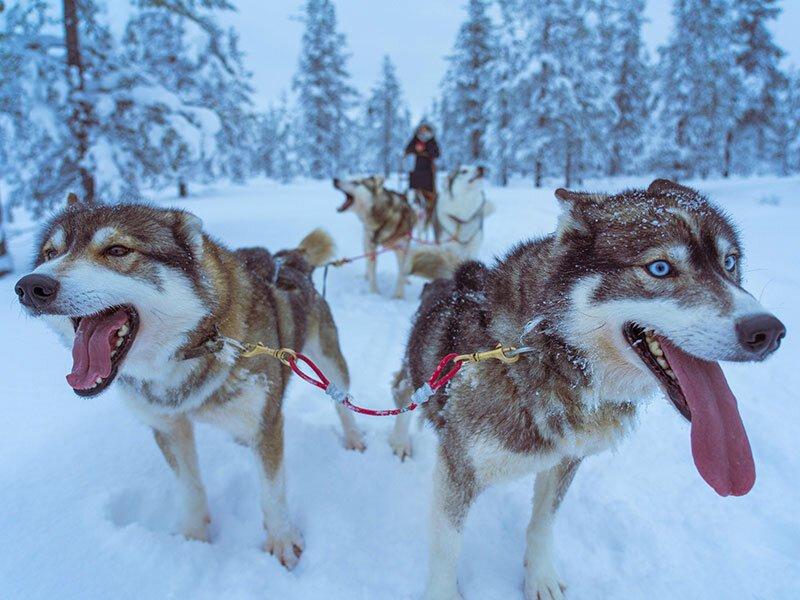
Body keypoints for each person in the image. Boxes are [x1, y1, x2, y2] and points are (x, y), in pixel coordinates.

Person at [404, 123, 440, 234]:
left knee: (429, 195)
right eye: (421, 130)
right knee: (413, 194)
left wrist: (426, 151)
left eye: (425, 130)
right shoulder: (414, 140)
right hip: (415, 171)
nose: (423, 132)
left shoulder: (432, 141)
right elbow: (407, 150)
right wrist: (415, 150)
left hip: (428, 172)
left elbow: (436, 153)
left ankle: (429, 213)